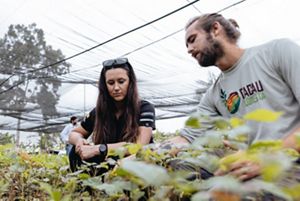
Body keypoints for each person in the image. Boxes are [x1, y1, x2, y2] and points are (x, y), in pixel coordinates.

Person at [169, 13, 300, 181]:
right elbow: (186, 138)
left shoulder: (277, 51)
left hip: (291, 158)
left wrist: (268, 157)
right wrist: (132, 160)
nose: (189, 50)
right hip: (250, 161)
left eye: (192, 39)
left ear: (215, 29)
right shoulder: (215, 93)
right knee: (184, 163)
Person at [68, 57, 155, 173]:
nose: (116, 88)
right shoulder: (98, 112)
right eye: (110, 83)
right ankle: (88, 187)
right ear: (104, 85)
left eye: (121, 81)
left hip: (134, 164)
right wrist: (79, 141)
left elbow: (139, 146)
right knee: (74, 152)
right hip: (107, 163)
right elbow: (74, 133)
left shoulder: (144, 108)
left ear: (130, 82)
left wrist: (100, 148)